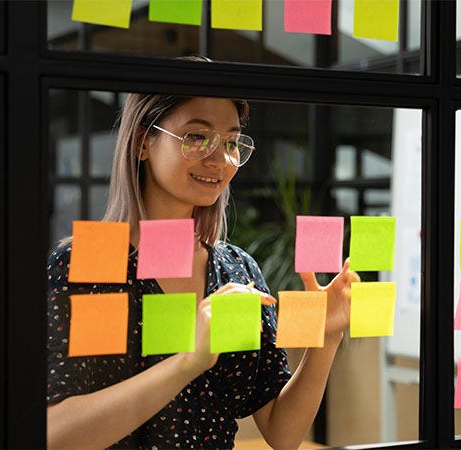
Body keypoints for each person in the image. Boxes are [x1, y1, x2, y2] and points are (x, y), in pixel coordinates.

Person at [47, 73, 360, 449]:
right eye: (197, 136)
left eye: (231, 142)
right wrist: (187, 362)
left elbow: (282, 432)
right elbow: (53, 436)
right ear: (144, 141)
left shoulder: (237, 270)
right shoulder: (90, 264)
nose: (219, 160)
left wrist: (325, 339)